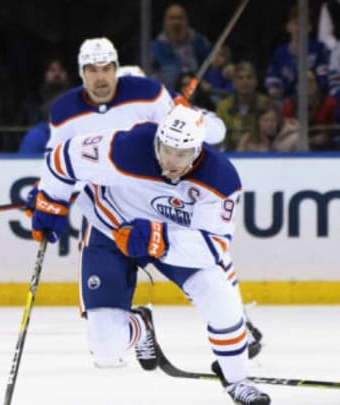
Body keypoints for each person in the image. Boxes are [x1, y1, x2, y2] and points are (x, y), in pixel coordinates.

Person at [26, 37, 262, 358]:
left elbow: (212, 134)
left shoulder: (150, 95)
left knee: (210, 254)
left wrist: (193, 113)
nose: (100, 77)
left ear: (117, 72)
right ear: (81, 73)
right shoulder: (66, 112)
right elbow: (59, 161)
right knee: (102, 334)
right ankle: (131, 327)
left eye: (106, 68)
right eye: (92, 69)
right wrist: (47, 195)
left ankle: (236, 322)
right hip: (107, 209)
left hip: (162, 202)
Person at [29, 105, 270, 405]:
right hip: (110, 229)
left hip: (173, 237)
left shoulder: (220, 179)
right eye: (166, 149)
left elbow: (212, 247)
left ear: (197, 150)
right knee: (105, 347)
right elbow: (62, 159)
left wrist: (158, 239)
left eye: (181, 154)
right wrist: (51, 199)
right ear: (157, 140)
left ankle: (236, 380)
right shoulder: (127, 147)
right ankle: (141, 326)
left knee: (221, 296)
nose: (171, 161)